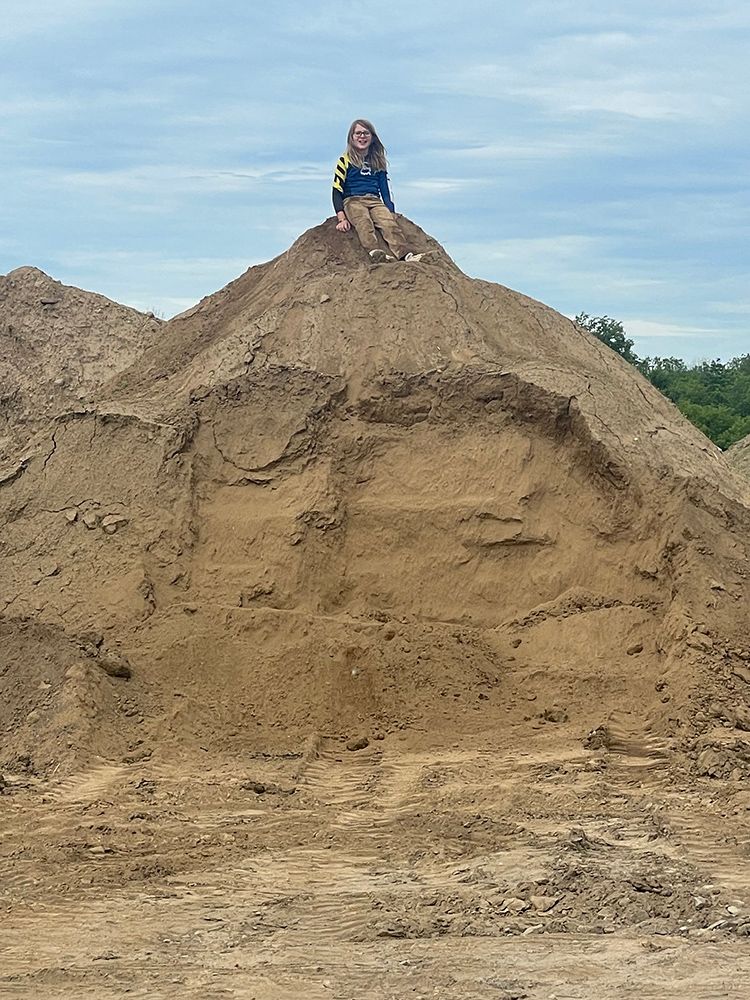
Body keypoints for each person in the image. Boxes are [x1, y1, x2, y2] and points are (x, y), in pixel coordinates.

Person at [332, 118, 424, 264]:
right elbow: (336, 189)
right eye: (358, 133)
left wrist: (390, 210)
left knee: (389, 224)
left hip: (374, 200)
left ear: (372, 137)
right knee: (363, 221)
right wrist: (341, 217)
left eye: (366, 133)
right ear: (351, 137)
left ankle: (405, 255)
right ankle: (374, 252)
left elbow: (384, 188)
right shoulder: (345, 160)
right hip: (353, 199)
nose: (362, 137)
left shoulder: (378, 161)